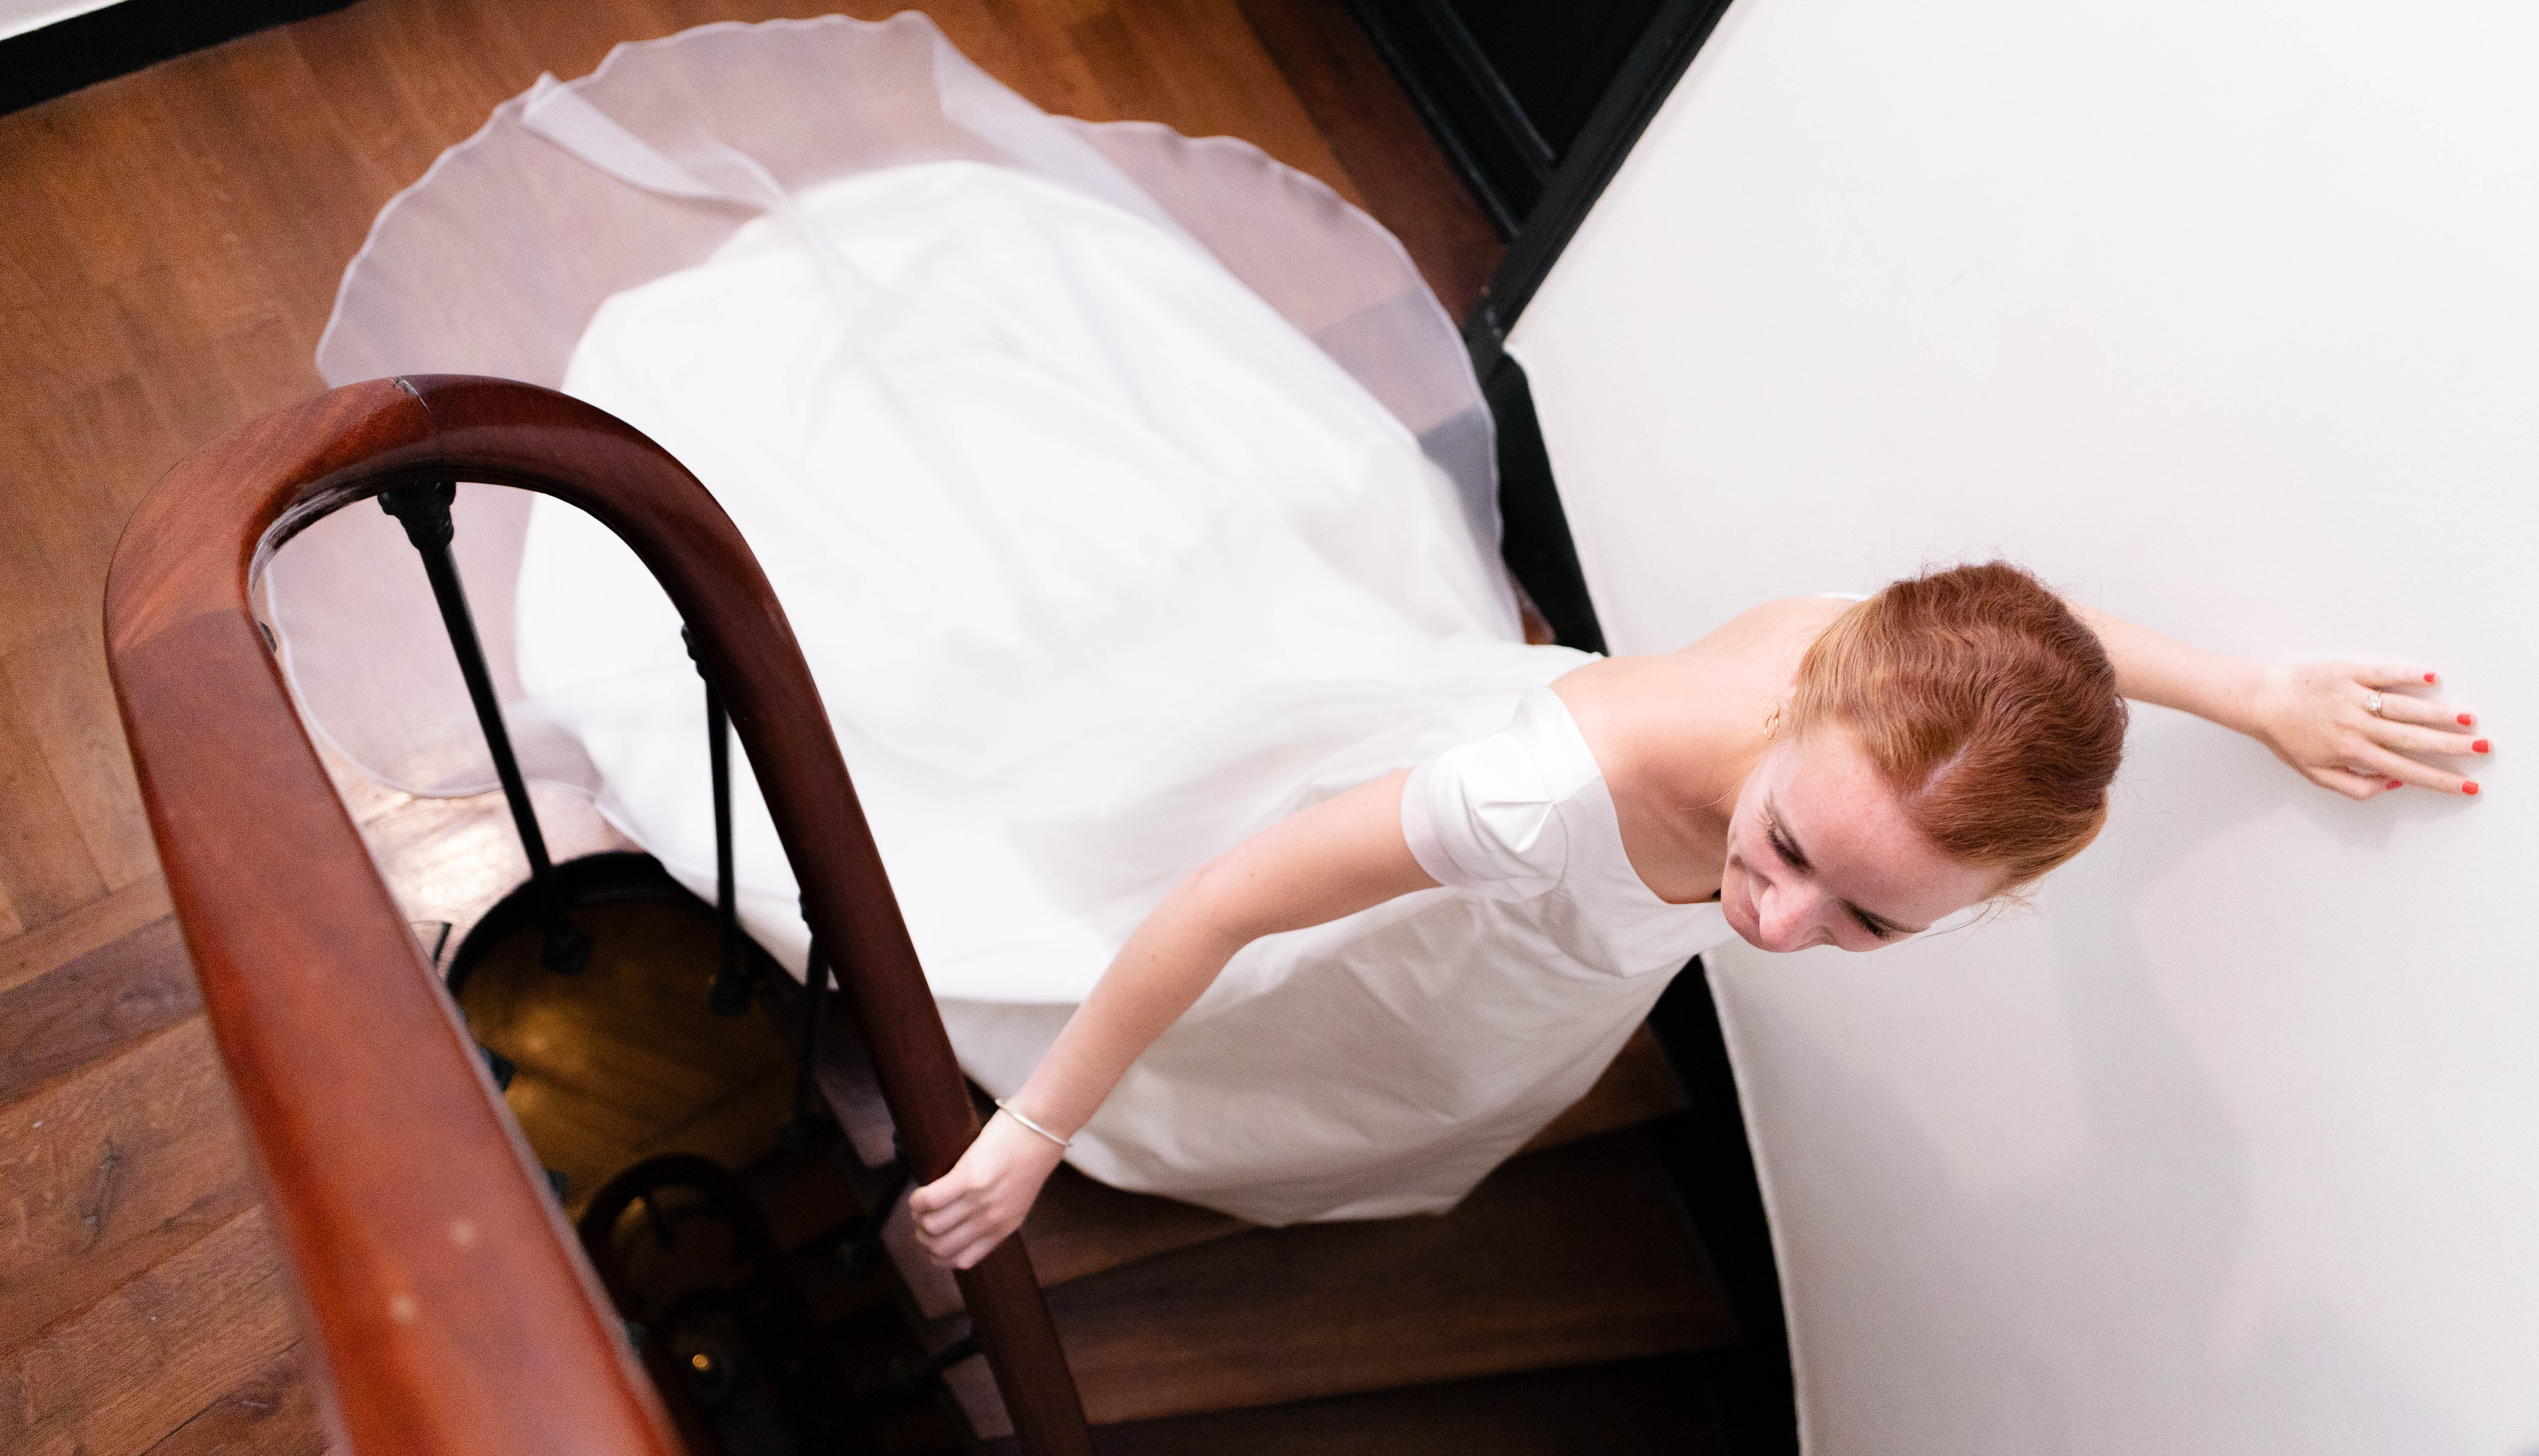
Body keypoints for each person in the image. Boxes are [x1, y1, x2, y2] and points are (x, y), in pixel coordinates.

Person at [907, 562, 2489, 1269]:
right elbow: (1226, 905)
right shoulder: (1526, 798)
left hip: (1558, 956)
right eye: (1787, 848)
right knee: (1287, 1033)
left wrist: (2254, 695)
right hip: (1460, 909)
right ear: (1801, 703)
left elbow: (2050, 633)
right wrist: (1033, 1131)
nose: (1778, 930)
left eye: (1872, 922)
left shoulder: (1915, 663)